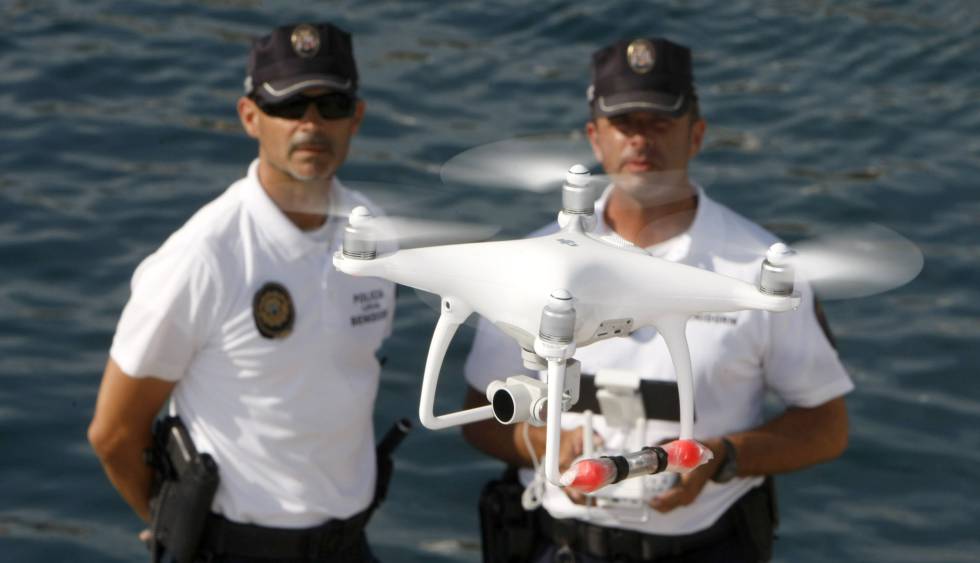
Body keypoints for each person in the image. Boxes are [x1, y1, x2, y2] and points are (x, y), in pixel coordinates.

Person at [462, 37, 852, 563]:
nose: (640, 140)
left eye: (660, 121)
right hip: (557, 544)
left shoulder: (763, 270)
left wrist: (722, 458)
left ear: (696, 135)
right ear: (595, 139)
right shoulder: (531, 263)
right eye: (624, 123)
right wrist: (544, 446)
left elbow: (825, 428)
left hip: (706, 545)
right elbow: (479, 415)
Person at [88, 22, 396, 562]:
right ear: (250, 117)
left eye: (331, 105)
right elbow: (113, 433)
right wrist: (171, 529)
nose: (311, 124)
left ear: (358, 118)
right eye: (290, 106)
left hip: (351, 546)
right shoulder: (205, 255)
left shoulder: (375, 232)